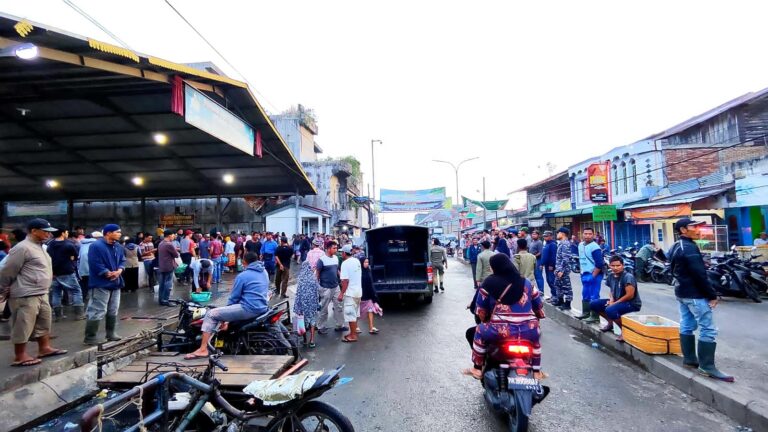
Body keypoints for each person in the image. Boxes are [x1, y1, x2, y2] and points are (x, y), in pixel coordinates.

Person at [669, 218, 733, 382]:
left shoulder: (678, 245)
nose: (698, 229)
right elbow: (700, 275)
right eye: (694, 226)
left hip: (682, 293)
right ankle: (707, 366)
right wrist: (711, 295)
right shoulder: (688, 248)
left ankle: (690, 359)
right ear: (683, 230)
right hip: (694, 294)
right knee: (708, 329)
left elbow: (672, 268)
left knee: (687, 324)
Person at [463, 253, 545, 380]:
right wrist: (535, 320)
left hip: (501, 331)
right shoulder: (527, 283)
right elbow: (539, 308)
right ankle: (536, 372)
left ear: (495, 267)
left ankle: (477, 369)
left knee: (479, 330)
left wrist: (484, 321)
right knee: (535, 340)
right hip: (529, 330)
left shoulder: (488, 282)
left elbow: (481, 311)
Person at [0, 218, 68, 367]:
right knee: (23, 324)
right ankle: (20, 355)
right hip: (25, 293)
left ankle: (44, 348)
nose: (48, 234)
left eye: (49, 232)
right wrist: (2, 289)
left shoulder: (40, 247)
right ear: (33, 231)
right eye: (45, 231)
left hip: (42, 292)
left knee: (44, 322)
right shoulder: (22, 248)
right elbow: (7, 271)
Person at [184, 252, 269, 359]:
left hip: (248, 308)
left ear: (244, 261)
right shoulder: (264, 271)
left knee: (211, 314)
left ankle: (203, 349)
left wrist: (226, 318)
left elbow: (234, 298)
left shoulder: (243, 276)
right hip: (262, 306)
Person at [84, 224, 126, 345]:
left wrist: (120, 270)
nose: (120, 234)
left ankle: (111, 333)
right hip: (100, 283)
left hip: (116, 282)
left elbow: (123, 260)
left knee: (113, 309)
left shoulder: (118, 246)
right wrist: (106, 273)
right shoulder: (96, 246)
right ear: (108, 233)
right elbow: (94, 262)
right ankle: (90, 336)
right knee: (97, 309)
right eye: (117, 232)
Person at [591, 255, 642, 342]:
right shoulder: (611, 276)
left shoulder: (628, 277)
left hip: (631, 303)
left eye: (618, 266)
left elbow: (630, 295)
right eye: (613, 266)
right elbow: (611, 290)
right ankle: (610, 324)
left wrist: (614, 303)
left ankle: (625, 331)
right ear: (609, 266)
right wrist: (611, 300)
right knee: (594, 304)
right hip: (617, 301)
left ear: (623, 265)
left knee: (610, 310)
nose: (615, 268)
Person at [47, 226, 85, 321]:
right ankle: (79, 314)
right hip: (67, 271)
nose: (68, 234)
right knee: (76, 291)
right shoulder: (68, 244)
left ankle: (58, 316)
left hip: (54, 273)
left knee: (56, 293)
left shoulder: (50, 245)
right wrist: (70, 258)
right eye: (67, 232)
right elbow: (75, 256)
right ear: (63, 233)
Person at [316, 241, 346, 334]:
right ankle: (321, 327)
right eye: (334, 248)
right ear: (328, 249)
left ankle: (340, 325)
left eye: (336, 248)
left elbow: (337, 270)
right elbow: (317, 274)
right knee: (324, 308)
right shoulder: (321, 260)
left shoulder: (336, 258)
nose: (336, 250)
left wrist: (341, 278)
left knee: (339, 306)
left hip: (336, 286)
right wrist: (318, 287)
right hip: (325, 288)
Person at [576, 227, 604, 323]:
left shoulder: (595, 247)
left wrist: (593, 276)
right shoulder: (580, 245)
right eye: (585, 234)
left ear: (593, 235)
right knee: (585, 294)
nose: (587, 236)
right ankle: (586, 313)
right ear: (582, 234)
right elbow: (581, 259)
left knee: (594, 296)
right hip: (584, 274)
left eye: (590, 234)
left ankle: (595, 316)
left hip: (594, 274)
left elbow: (599, 263)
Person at [339, 244, 363, 342]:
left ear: (344, 253)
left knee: (350, 315)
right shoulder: (356, 261)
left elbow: (345, 281)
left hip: (350, 293)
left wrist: (341, 293)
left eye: (342, 253)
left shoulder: (345, 263)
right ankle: (353, 331)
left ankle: (353, 336)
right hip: (358, 291)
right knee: (355, 314)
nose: (341, 254)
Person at [294, 261, 320, 348]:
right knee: (312, 321)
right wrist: (317, 303)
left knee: (302, 321)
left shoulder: (300, 278)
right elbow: (317, 291)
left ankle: (305, 340)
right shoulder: (313, 278)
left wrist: (297, 306)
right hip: (312, 304)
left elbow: (298, 293)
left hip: (302, 304)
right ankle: (312, 340)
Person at [157, 229, 179, 306]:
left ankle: (161, 300)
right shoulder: (169, 244)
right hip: (169, 266)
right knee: (168, 284)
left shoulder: (160, 243)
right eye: (173, 235)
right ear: (169, 236)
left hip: (162, 266)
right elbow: (176, 255)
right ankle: (166, 300)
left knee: (162, 284)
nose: (174, 237)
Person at [359, 256, 380, 335]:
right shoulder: (359, 272)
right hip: (360, 295)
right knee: (358, 312)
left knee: (370, 310)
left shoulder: (368, 271)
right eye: (365, 262)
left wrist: (373, 294)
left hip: (368, 295)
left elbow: (371, 284)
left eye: (367, 262)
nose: (367, 264)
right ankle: (356, 327)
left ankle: (371, 327)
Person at [554, 227, 573, 311]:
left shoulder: (565, 244)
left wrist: (561, 270)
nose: (557, 235)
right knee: (558, 285)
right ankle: (560, 301)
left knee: (566, 286)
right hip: (558, 269)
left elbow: (566, 259)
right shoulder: (561, 243)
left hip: (563, 270)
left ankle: (567, 303)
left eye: (558, 233)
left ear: (562, 233)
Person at [540, 231, 558, 301]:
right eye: (544, 236)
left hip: (551, 266)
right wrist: (542, 264)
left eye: (546, 236)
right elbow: (544, 256)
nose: (545, 237)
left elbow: (553, 256)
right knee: (548, 280)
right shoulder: (546, 244)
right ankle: (552, 295)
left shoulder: (553, 244)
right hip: (546, 266)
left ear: (551, 236)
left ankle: (555, 296)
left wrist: (551, 265)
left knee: (552, 281)